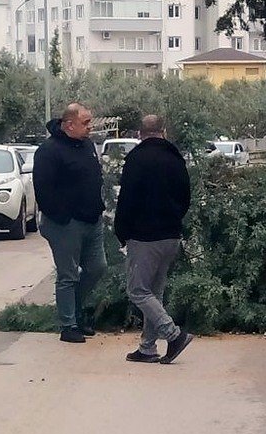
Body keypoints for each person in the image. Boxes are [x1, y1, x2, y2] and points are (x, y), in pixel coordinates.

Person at [113, 115, 194, 364]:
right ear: (164, 131)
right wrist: (173, 220)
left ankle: (173, 334)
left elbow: (127, 200)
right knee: (154, 293)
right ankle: (147, 348)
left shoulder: (136, 160)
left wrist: (122, 231)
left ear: (140, 133)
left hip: (144, 237)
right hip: (171, 235)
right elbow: (185, 196)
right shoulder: (175, 158)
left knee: (137, 291)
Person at [33, 102, 106, 343]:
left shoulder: (87, 145)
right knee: (68, 275)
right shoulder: (49, 150)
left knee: (97, 268)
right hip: (65, 223)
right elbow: (43, 189)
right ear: (69, 124)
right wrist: (62, 216)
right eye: (85, 123)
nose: (90, 127)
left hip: (92, 220)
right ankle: (69, 324)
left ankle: (75, 311)